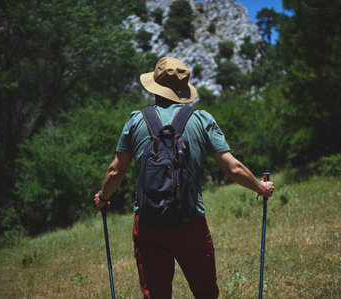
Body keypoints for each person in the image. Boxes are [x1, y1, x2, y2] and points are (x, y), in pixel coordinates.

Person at [94, 57, 274, 298]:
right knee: (205, 292)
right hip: (190, 223)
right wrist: (260, 187)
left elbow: (115, 171)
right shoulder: (201, 119)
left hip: (149, 224)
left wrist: (103, 197)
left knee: (156, 294)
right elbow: (235, 169)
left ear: (154, 85)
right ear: (183, 90)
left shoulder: (136, 120)